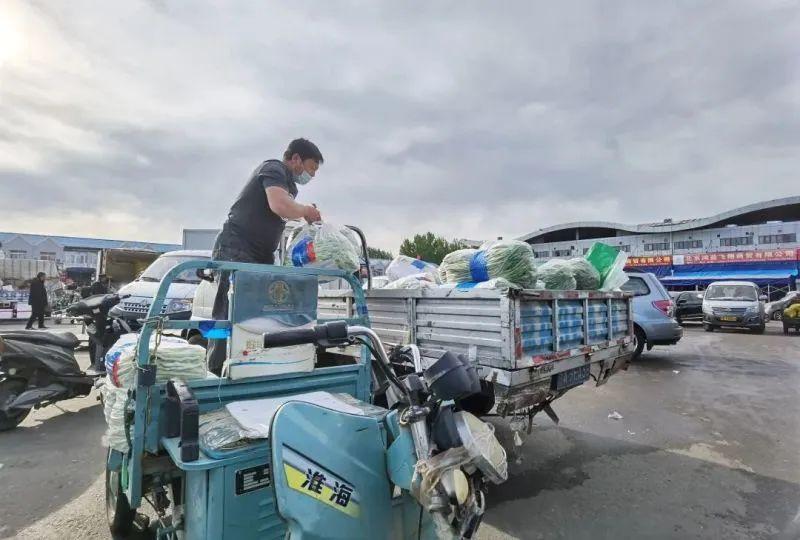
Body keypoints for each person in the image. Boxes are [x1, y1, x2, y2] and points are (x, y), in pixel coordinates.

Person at [207, 138, 324, 374]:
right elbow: (280, 206)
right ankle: (216, 371)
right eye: (311, 167)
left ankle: (249, 369)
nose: (311, 174)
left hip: (261, 256)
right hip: (237, 249)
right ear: (296, 159)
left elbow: (286, 209)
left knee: (257, 317)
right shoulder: (273, 168)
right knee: (227, 315)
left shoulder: (290, 186)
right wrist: (305, 211)